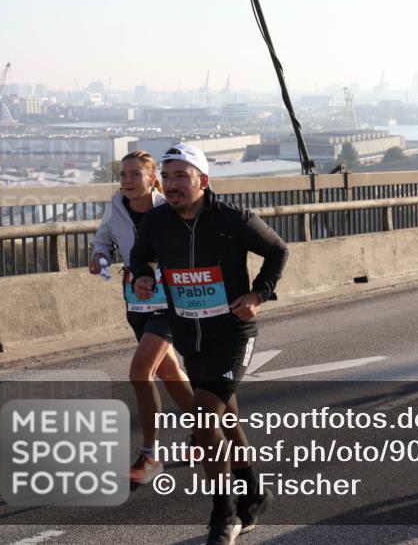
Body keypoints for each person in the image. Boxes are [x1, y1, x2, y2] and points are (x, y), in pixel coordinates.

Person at [131, 144, 289, 544]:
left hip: (232, 333)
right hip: (189, 334)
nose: (172, 185)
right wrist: (143, 276)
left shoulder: (233, 219)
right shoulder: (156, 221)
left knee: (203, 419)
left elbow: (277, 251)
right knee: (224, 420)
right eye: (167, 177)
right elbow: (140, 256)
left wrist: (258, 294)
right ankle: (254, 491)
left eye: (181, 176)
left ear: (203, 180)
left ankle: (224, 514)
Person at [88, 151, 194, 485]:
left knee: (140, 372)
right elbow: (104, 240)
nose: (127, 181)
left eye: (135, 174)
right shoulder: (115, 207)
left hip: (169, 299)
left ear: (152, 179)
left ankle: (150, 455)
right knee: (169, 371)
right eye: (123, 175)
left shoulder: (169, 208)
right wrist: (100, 257)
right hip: (136, 300)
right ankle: (207, 431)